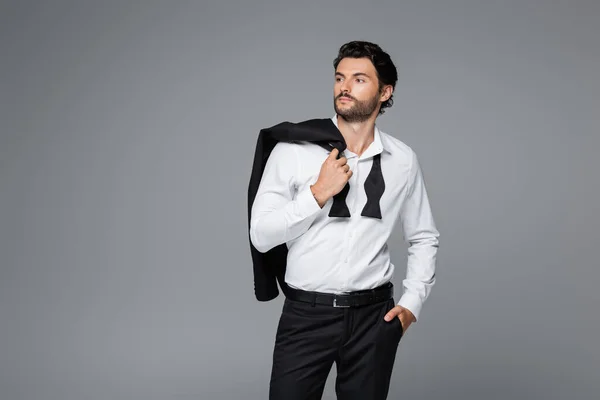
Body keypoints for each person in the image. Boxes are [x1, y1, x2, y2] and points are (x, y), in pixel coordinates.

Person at [249, 40, 440, 400]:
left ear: (385, 92)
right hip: (307, 315)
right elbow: (260, 235)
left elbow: (424, 237)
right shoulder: (292, 152)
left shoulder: (403, 159)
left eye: (358, 79)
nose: (344, 87)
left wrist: (411, 305)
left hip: (374, 319)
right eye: (339, 78)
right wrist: (317, 193)